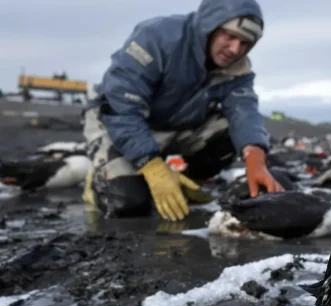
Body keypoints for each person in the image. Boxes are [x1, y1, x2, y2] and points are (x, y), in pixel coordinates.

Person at [82, 0, 283, 221]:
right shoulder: (157, 37)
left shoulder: (237, 69)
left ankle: (183, 182)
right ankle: (98, 183)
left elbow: (244, 112)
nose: (235, 49)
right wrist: (153, 167)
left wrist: (256, 160)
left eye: (245, 43)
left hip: (174, 126)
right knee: (128, 203)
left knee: (230, 135)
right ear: (210, 26)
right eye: (230, 36)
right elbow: (120, 104)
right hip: (115, 121)